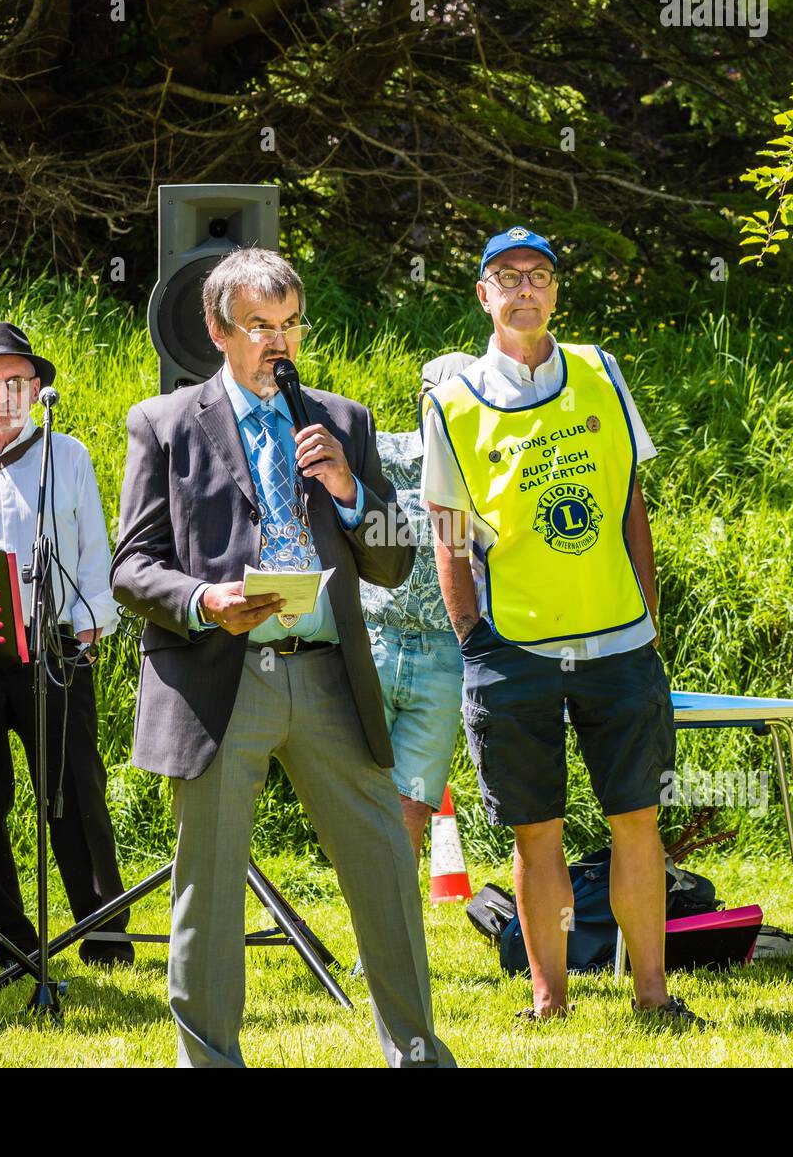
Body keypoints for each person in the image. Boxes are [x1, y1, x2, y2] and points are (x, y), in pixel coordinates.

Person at [111, 246, 455, 1068]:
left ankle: (416, 1054)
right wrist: (205, 600)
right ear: (218, 330)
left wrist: (352, 493)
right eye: (261, 326)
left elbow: (393, 560)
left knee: (383, 864)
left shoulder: (342, 420)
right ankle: (212, 1061)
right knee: (211, 882)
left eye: (291, 324)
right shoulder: (163, 423)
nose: (280, 343)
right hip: (224, 674)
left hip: (329, 674)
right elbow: (131, 564)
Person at [421, 227, 705, 1026]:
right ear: (483, 294)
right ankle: (549, 1001)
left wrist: (647, 616)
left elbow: (628, 503)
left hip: (618, 643)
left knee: (637, 820)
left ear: (555, 290)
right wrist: (473, 635)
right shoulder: (452, 398)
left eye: (538, 275)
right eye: (506, 276)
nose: (524, 288)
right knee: (535, 831)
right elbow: (449, 532)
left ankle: (653, 993)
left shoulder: (601, 370)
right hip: (514, 651)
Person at [0, 321, 132, 967]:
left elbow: (95, 549)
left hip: (54, 648)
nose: (0, 395)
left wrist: (92, 624)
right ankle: (9, 937)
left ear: (36, 387)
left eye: (14, 382)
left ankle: (102, 933)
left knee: (75, 790)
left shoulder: (65, 453)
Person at [360, 353, 475, 861]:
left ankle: (394, 936)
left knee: (412, 802)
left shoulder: (490, 469)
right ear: (424, 399)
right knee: (362, 797)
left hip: (443, 654)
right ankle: (373, 926)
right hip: (373, 641)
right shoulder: (378, 453)